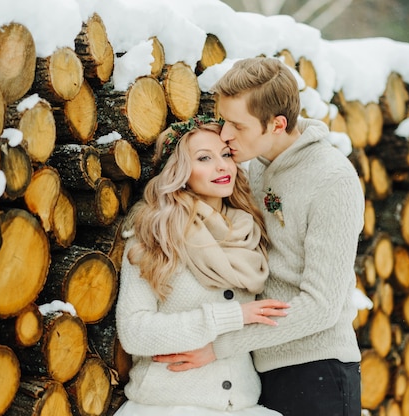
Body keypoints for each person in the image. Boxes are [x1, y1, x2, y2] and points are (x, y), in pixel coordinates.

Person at [154, 57, 366, 416]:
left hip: (318, 373)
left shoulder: (333, 179)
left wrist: (220, 346)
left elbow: (321, 306)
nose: (225, 136)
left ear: (277, 124)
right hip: (256, 372)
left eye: (237, 125)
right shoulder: (249, 168)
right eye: (223, 122)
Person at [114, 114, 289, 416]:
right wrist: (229, 316)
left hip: (243, 404)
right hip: (169, 406)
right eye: (204, 158)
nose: (222, 166)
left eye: (225, 155)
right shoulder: (154, 238)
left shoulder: (250, 232)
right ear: (179, 171)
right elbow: (134, 332)